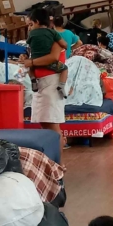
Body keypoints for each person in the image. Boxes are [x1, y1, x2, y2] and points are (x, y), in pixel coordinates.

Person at [22, 7, 68, 136]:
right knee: (44, 124)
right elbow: (36, 58)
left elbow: (53, 58)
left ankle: (56, 153)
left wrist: (31, 62)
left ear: (37, 22)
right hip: (40, 84)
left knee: (52, 127)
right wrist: (26, 59)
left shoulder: (53, 37)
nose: (29, 28)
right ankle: (51, 153)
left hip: (52, 84)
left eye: (30, 24)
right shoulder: (38, 40)